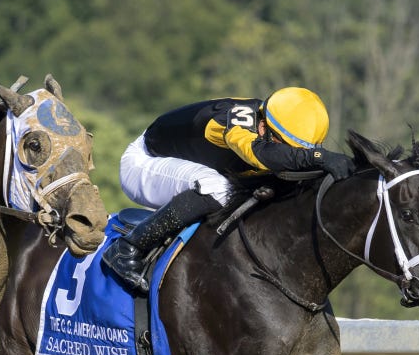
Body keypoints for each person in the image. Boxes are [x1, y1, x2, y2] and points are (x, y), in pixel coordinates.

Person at [104, 87, 356, 293]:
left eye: (299, 149)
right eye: (287, 146)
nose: (292, 154)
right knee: (219, 189)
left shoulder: (272, 123)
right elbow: (261, 155)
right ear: (264, 126)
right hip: (144, 164)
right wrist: (319, 157)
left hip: (189, 162)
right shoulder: (233, 124)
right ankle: (128, 247)